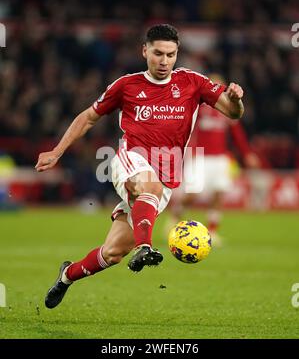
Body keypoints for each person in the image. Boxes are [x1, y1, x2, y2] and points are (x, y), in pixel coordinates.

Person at [35, 24, 244, 309]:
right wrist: (57, 151)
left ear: (177, 54)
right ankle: (145, 247)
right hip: (130, 159)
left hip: (167, 176)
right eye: (158, 53)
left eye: (170, 55)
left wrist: (236, 100)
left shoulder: (192, 82)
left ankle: (66, 276)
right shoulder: (127, 85)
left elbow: (232, 113)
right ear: (145, 51)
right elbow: (88, 117)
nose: (164, 60)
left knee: (112, 253)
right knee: (149, 185)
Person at [168, 74, 260, 246]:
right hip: (199, 156)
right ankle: (175, 215)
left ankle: (213, 231)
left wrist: (247, 153)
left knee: (218, 194)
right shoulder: (199, 107)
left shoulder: (227, 110)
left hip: (220, 158)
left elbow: (237, 134)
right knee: (193, 194)